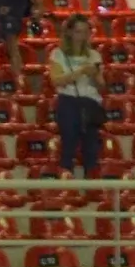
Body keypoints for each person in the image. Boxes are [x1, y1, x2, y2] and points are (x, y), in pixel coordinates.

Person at [49, 13, 107, 176]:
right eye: (78, 32)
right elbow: (56, 80)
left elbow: (101, 85)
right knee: (68, 146)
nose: (82, 36)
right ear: (69, 32)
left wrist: (95, 74)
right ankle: (67, 181)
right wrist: (80, 72)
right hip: (69, 101)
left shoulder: (94, 55)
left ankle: (91, 183)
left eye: (85, 32)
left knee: (91, 149)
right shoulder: (58, 54)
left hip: (90, 102)